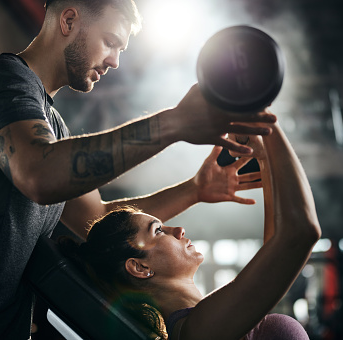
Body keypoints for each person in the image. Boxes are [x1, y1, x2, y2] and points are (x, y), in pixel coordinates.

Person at [0, 0, 277, 339]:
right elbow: (38, 174)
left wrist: (195, 189)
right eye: (111, 41)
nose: (115, 60)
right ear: (68, 20)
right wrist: (173, 124)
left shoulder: (54, 127)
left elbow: (96, 221)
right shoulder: (2, 80)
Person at [57, 119, 322, 340]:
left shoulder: (205, 319)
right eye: (158, 230)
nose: (179, 229)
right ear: (139, 267)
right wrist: (267, 125)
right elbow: (298, 233)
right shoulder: (197, 332)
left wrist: (263, 156)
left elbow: (275, 249)